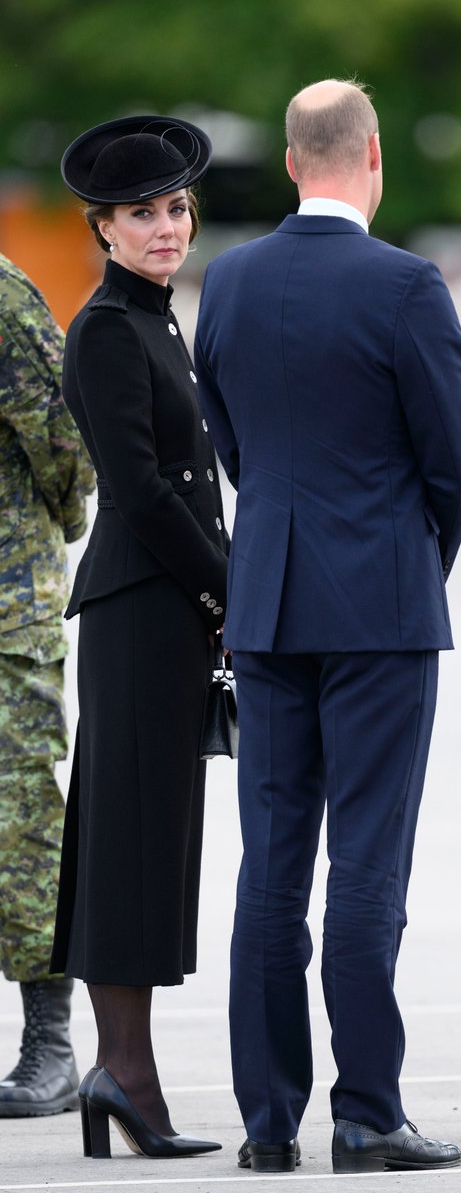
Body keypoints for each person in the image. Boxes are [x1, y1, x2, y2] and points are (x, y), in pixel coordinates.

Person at [194, 78, 461, 1175]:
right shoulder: (404, 285)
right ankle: (365, 1112)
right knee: (366, 862)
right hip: (377, 605)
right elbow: (452, 457)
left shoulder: (223, 280)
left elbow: (229, 438)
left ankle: (267, 1123)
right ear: (370, 159)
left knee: (269, 866)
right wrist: (411, 561)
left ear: (287, 161)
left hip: (266, 603)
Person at [49, 116, 229, 1159]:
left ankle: (128, 1074)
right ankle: (122, 1073)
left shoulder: (157, 319)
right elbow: (143, 493)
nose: (166, 227)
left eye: (174, 208)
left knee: (152, 842)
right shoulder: (110, 328)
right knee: (125, 841)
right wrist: (234, 590)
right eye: (142, 214)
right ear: (102, 227)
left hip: (169, 609)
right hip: (137, 608)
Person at [0, 255, 94, 1117]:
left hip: (3, 609)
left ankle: (49, 1044)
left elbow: (66, 441)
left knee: (19, 822)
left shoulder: (1, 295)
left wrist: (47, 530)